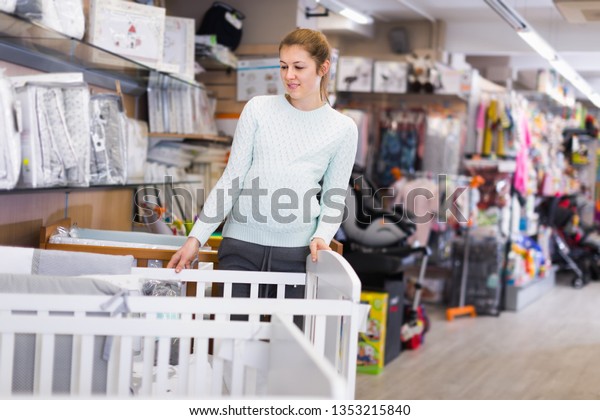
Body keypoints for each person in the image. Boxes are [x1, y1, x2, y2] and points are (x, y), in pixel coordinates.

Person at [167, 28, 358, 288]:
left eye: (298, 67)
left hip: (297, 255)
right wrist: (196, 238)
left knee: (288, 330)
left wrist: (322, 236)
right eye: (283, 66)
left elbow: (333, 198)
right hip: (241, 248)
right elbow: (231, 179)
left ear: (323, 68)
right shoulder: (257, 108)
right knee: (232, 329)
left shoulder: (343, 128)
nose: (288, 76)